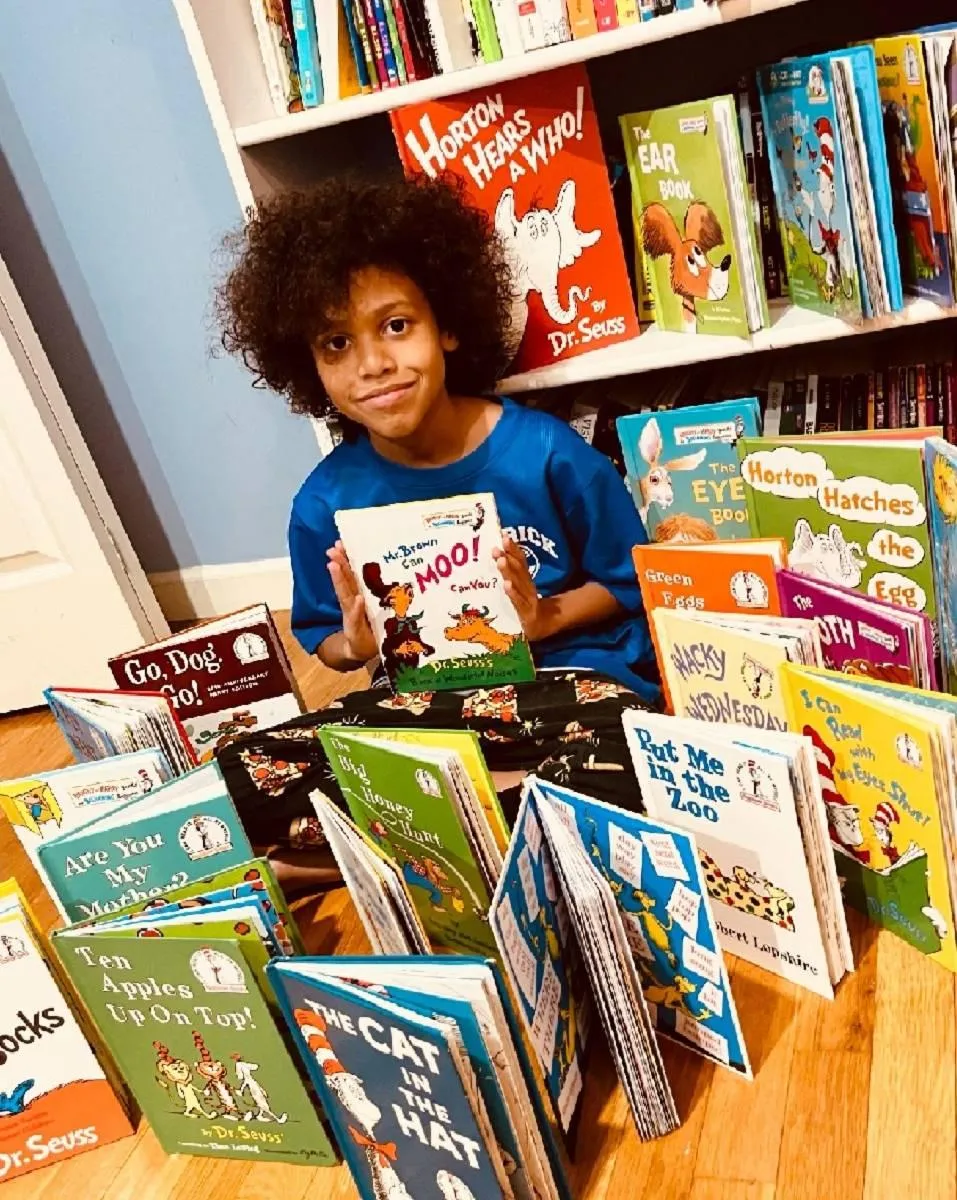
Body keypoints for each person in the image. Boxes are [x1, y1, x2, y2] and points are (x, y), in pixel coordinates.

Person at [214, 176, 659, 879]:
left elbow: (629, 580)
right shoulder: (324, 501)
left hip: (570, 692)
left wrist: (544, 617)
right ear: (310, 367)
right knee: (239, 772)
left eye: (396, 325)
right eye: (335, 343)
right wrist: (354, 643)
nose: (373, 365)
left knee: (635, 748)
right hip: (427, 713)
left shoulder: (544, 453)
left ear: (446, 323)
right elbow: (326, 641)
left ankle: (369, 856)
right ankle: (494, 830)